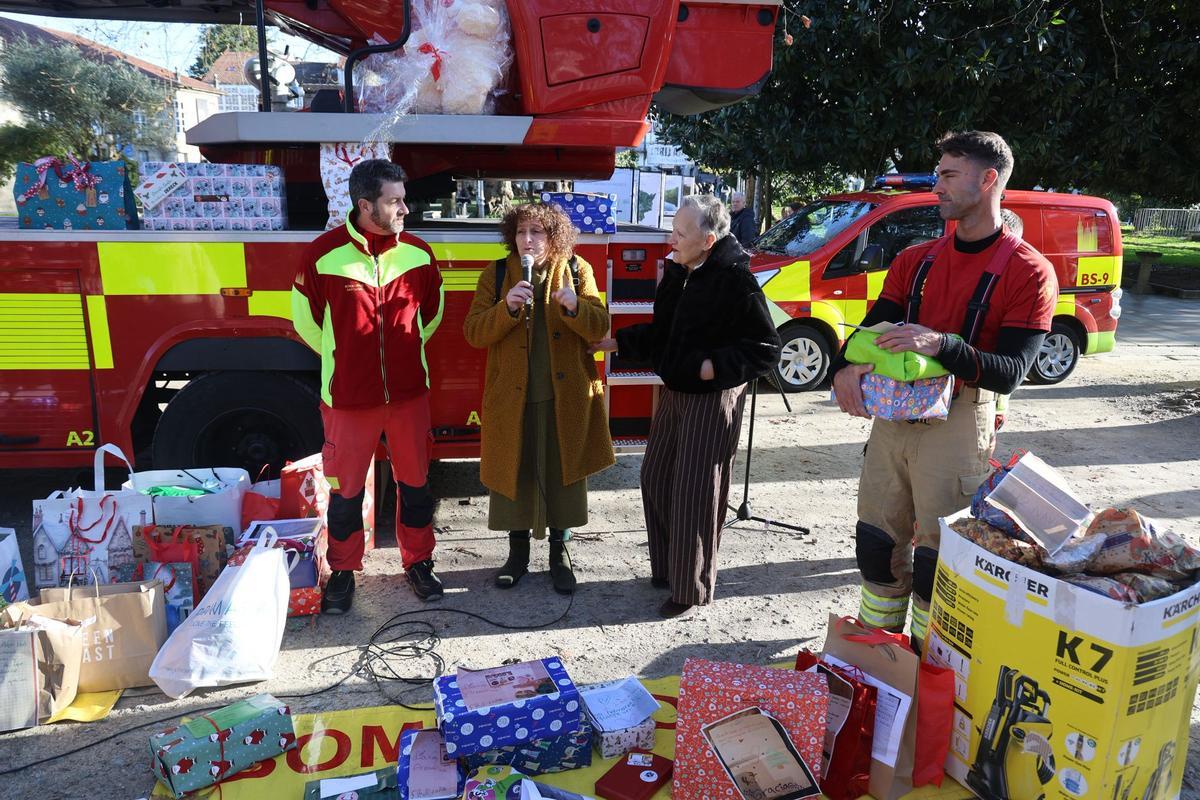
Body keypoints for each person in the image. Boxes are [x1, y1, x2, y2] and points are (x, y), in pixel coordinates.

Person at [830, 131, 1058, 645]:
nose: (937, 186)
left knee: (938, 561)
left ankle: (929, 664)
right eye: (939, 174)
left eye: (949, 175)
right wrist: (843, 368)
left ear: (989, 179)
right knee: (875, 542)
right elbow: (870, 330)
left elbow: (1012, 371)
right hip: (893, 421)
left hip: (959, 423)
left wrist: (942, 345)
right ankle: (878, 654)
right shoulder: (916, 260)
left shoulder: (1028, 271)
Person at [593, 195, 782, 618]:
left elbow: (767, 348)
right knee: (655, 478)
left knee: (696, 493)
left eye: (680, 233)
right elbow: (665, 332)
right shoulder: (679, 270)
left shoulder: (736, 279)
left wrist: (713, 368)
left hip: (712, 401)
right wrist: (619, 342)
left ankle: (691, 587)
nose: (670, 241)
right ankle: (670, 570)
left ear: (708, 240)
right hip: (675, 393)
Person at [291, 159, 446, 613]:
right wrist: (346, 361)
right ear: (365, 205)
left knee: (416, 486)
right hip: (347, 400)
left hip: (408, 397)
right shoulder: (321, 254)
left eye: (403, 198)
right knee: (346, 493)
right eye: (394, 201)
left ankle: (418, 562)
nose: (405, 208)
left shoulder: (419, 253)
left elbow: (430, 315)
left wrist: (406, 351)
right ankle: (341, 571)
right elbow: (306, 323)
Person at [463, 203, 615, 594]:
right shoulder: (495, 274)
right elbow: (474, 333)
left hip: (564, 398)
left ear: (554, 236)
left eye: (537, 232)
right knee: (515, 473)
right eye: (520, 232)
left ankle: (559, 555)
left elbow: (600, 325)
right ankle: (516, 555)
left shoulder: (578, 270)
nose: (527, 240)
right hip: (512, 399)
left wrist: (575, 306)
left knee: (562, 474)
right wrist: (505, 307)